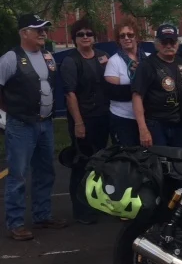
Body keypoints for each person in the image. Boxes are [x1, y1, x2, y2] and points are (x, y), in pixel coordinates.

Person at [0, 13, 67, 240]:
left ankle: (42, 215)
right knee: (18, 175)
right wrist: (6, 113)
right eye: (37, 29)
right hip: (21, 125)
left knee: (45, 172)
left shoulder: (48, 56)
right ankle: (15, 223)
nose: (43, 33)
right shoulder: (10, 58)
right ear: (24, 33)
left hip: (45, 124)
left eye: (44, 29)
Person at [60, 18, 111, 224]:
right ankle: (80, 210)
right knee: (81, 165)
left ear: (94, 37)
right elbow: (70, 94)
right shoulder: (70, 61)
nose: (85, 37)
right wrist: (79, 123)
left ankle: (96, 203)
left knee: (99, 163)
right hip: (84, 120)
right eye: (80, 34)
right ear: (74, 38)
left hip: (103, 117)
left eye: (89, 33)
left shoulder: (103, 56)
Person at [132, 24, 182, 148]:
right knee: (160, 159)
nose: (168, 46)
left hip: (179, 124)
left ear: (177, 43)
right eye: (164, 42)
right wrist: (143, 129)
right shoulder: (147, 65)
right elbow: (137, 96)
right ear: (157, 44)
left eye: (172, 42)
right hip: (156, 124)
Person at [104, 17, 147, 146]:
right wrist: (141, 88)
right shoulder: (114, 62)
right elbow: (115, 94)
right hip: (123, 118)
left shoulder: (149, 58)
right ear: (118, 40)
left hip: (148, 117)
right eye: (122, 36)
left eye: (130, 34)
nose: (126, 38)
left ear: (136, 37)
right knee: (127, 155)